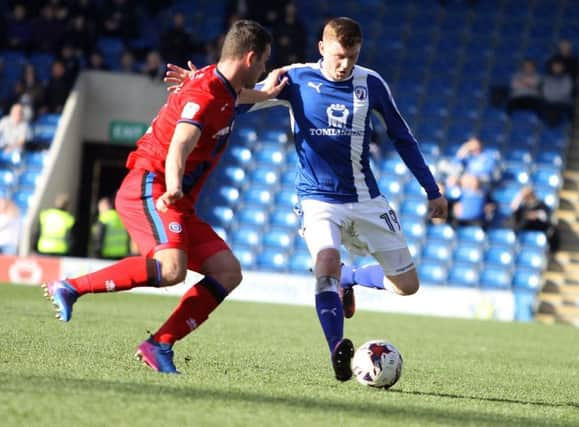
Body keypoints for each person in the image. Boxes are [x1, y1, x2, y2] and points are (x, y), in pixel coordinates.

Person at [167, 17, 448, 382]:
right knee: (325, 259)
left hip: (366, 199)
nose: (344, 64)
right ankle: (336, 347)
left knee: (407, 286)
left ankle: (350, 277)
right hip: (317, 199)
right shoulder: (295, 78)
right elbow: (239, 97)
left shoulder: (371, 83)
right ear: (322, 48)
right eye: (338, 55)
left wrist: (432, 190)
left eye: (352, 55)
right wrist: (202, 83)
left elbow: (403, 137)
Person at [41, 20, 286, 374]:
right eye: (263, 62)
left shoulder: (220, 85)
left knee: (227, 272)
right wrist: (173, 186)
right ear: (250, 58)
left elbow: (233, 97)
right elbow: (178, 147)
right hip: (152, 185)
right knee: (172, 269)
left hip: (176, 197)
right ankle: (70, 286)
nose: (264, 69)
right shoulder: (204, 94)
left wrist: (265, 94)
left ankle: (159, 344)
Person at [511, 186, 559, 252]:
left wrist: (538, 215)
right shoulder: (522, 208)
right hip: (525, 230)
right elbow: (514, 211)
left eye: (528, 195)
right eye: (525, 196)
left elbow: (548, 218)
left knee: (552, 232)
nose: (528, 198)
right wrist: (519, 197)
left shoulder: (541, 205)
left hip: (540, 229)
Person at [540, 60, 574, 127]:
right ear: (552, 67)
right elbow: (546, 92)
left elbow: (566, 92)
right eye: (555, 66)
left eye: (559, 66)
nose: (557, 68)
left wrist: (554, 97)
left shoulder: (567, 78)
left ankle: (558, 128)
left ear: (562, 67)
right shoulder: (547, 78)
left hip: (563, 102)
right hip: (550, 102)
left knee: (558, 109)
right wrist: (553, 98)